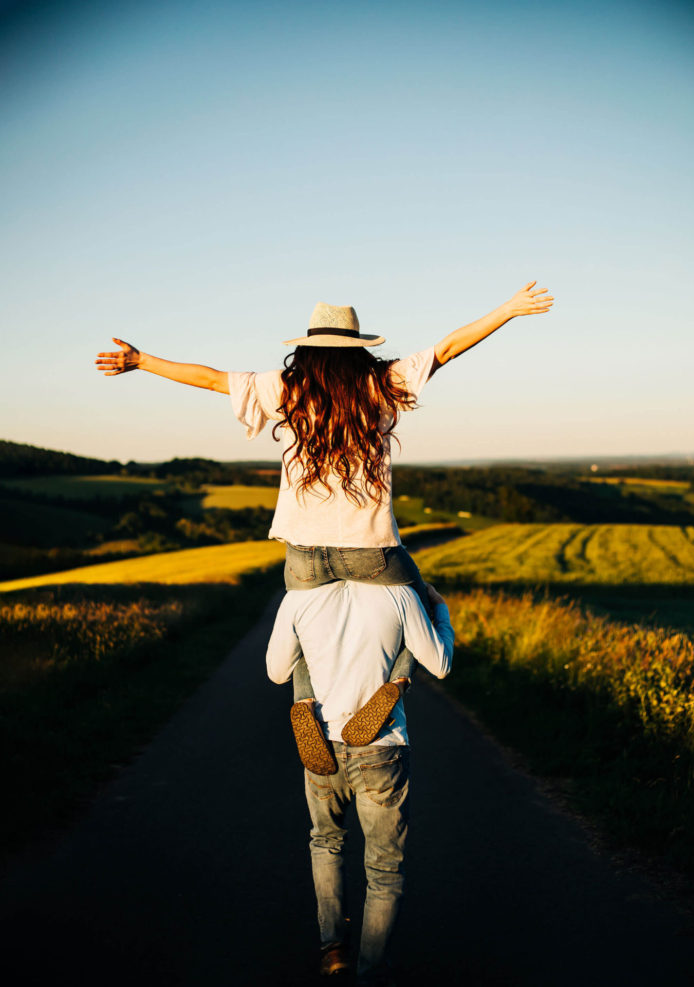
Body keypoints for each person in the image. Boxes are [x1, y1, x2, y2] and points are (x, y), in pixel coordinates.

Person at [95, 283, 553, 759]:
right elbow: (448, 349)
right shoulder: (381, 383)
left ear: (308, 348)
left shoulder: (287, 389)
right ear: (357, 348)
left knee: (301, 629)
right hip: (373, 550)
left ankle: (304, 703)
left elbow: (212, 379)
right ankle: (395, 683)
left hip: (305, 553)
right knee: (419, 604)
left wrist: (142, 361)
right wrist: (507, 310)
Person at [266, 577, 454, 984]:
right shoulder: (400, 592)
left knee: (326, 842)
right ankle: (369, 973)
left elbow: (274, 672)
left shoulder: (300, 595)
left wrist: (306, 648)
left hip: (322, 741)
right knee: (384, 869)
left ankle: (333, 950)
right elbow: (441, 663)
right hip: (383, 748)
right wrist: (439, 609)